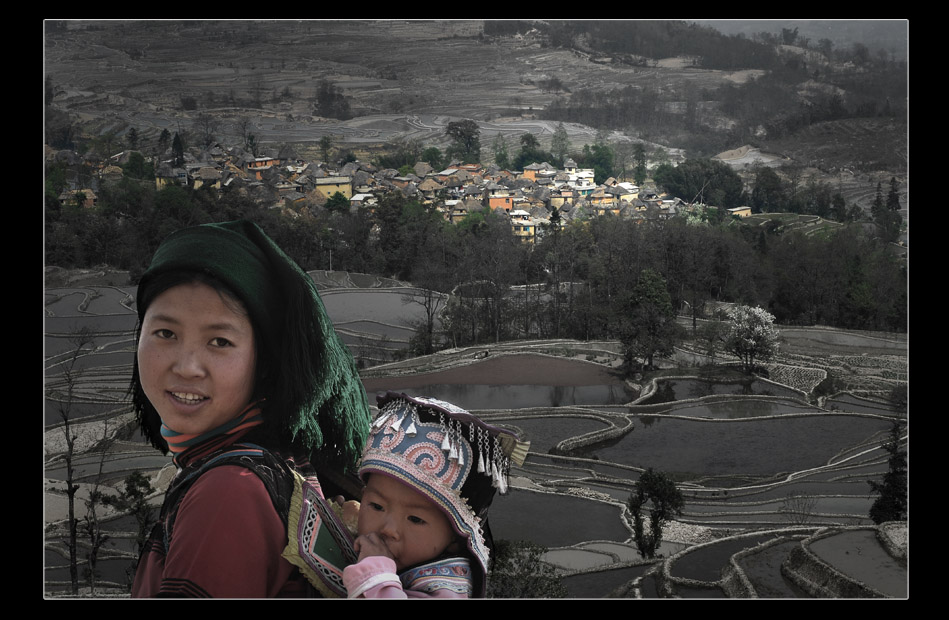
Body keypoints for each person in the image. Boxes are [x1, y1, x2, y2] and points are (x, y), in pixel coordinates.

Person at [129, 219, 372, 598]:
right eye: (165, 333)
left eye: (220, 341)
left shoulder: (228, 493)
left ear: (263, 362)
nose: (187, 366)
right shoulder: (278, 462)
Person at [342, 392, 529, 598]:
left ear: (455, 538)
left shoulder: (447, 590)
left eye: (415, 519)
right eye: (376, 506)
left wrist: (375, 572)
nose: (389, 530)